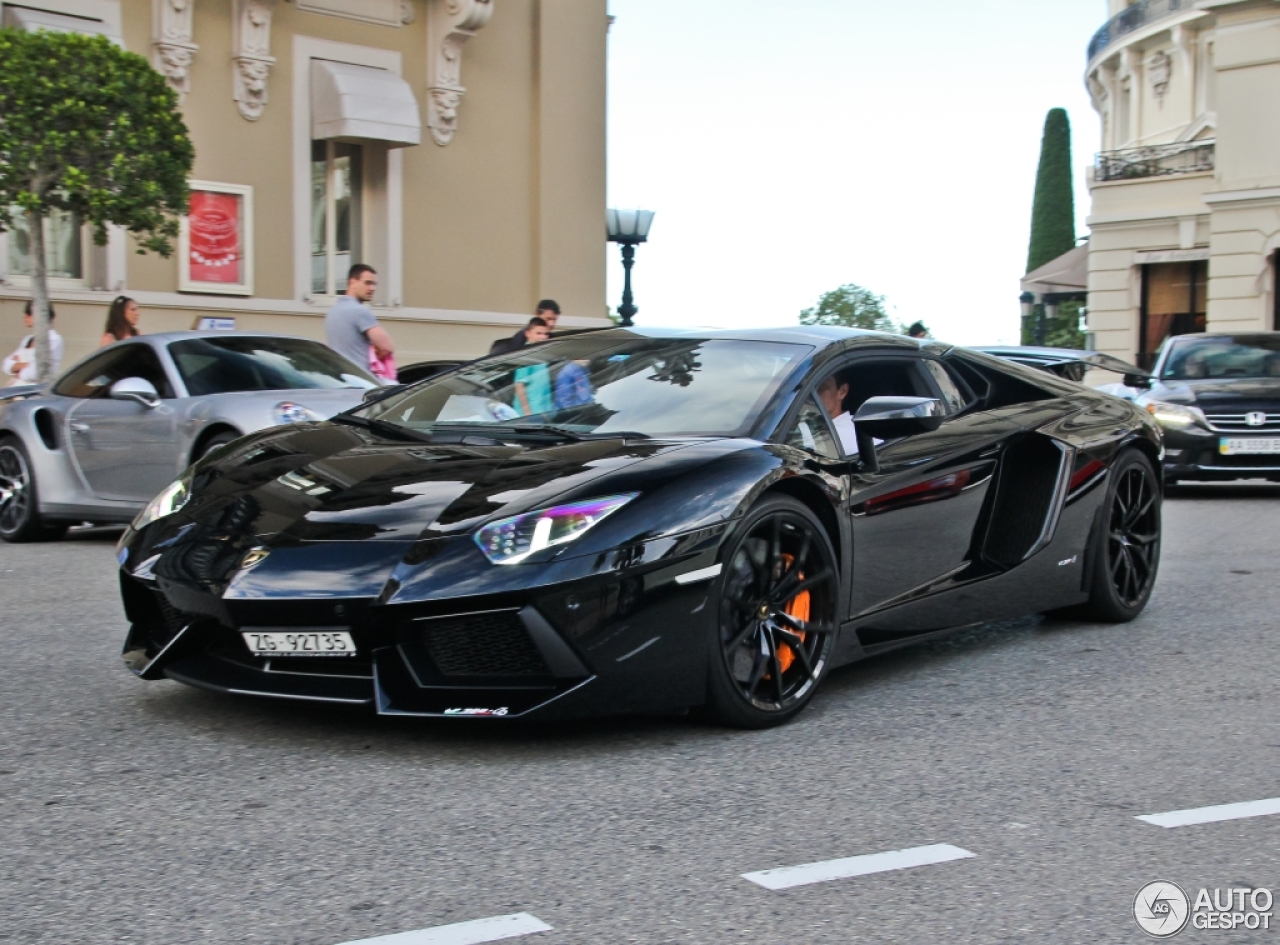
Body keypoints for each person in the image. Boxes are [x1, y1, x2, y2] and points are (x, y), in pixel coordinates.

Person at [325, 264, 395, 376]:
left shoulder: (333, 311)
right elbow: (386, 347)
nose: (372, 288)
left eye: (374, 284)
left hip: (340, 377)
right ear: (352, 282)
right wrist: (376, 356)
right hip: (361, 379)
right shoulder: (360, 311)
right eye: (367, 283)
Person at [4, 301, 63, 384]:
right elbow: (6, 364)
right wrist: (26, 365)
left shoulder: (52, 339)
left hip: (36, 390)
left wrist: (18, 372)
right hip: (19, 388)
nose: (25, 317)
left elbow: (35, 372)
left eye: (29, 314)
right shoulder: (28, 339)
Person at [490, 299, 561, 355]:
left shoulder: (552, 337)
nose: (551, 324)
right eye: (548, 319)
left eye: (554, 320)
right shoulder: (521, 337)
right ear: (537, 314)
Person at [512, 318, 552, 415]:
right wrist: (527, 412)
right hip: (530, 413)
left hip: (541, 410)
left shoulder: (541, 354)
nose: (543, 337)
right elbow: (519, 385)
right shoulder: (526, 355)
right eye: (538, 333)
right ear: (528, 333)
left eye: (545, 334)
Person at [816, 371, 859, 455]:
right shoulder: (798, 422)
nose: (810, 394)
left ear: (842, 391)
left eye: (821, 386)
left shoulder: (852, 432)